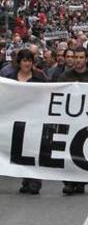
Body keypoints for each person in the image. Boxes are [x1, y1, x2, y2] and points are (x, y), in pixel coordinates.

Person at [58, 47, 88, 195]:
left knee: (82, 151)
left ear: (86, 59)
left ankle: (81, 181)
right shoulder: (64, 77)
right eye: (76, 58)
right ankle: (69, 182)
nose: (78, 60)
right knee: (67, 151)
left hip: (86, 121)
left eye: (81, 57)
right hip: (69, 120)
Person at [10, 49, 45, 195]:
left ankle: (35, 181)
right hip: (15, 120)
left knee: (32, 150)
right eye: (24, 60)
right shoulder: (10, 79)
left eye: (30, 60)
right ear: (19, 62)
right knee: (19, 150)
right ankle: (26, 179)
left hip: (34, 121)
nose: (27, 63)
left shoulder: (39, 78)